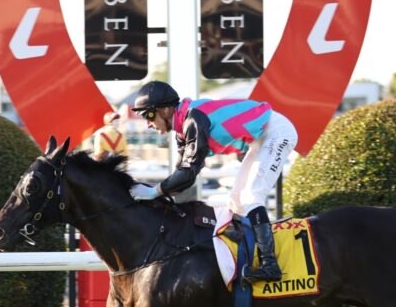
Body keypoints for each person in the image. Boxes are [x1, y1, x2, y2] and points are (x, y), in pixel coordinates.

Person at [128, 80, 298, 283]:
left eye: (148, 115)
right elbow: (182, 177)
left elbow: (188, 173)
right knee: (236, 200)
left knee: (252, 196)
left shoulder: (193, 120)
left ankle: (270, 265)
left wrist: (154, 191)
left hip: (276, 132)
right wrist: (156, 195)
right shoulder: (183, 128)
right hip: (260, 139)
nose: (148, 123)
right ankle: (245, 255)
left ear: (165, 109)